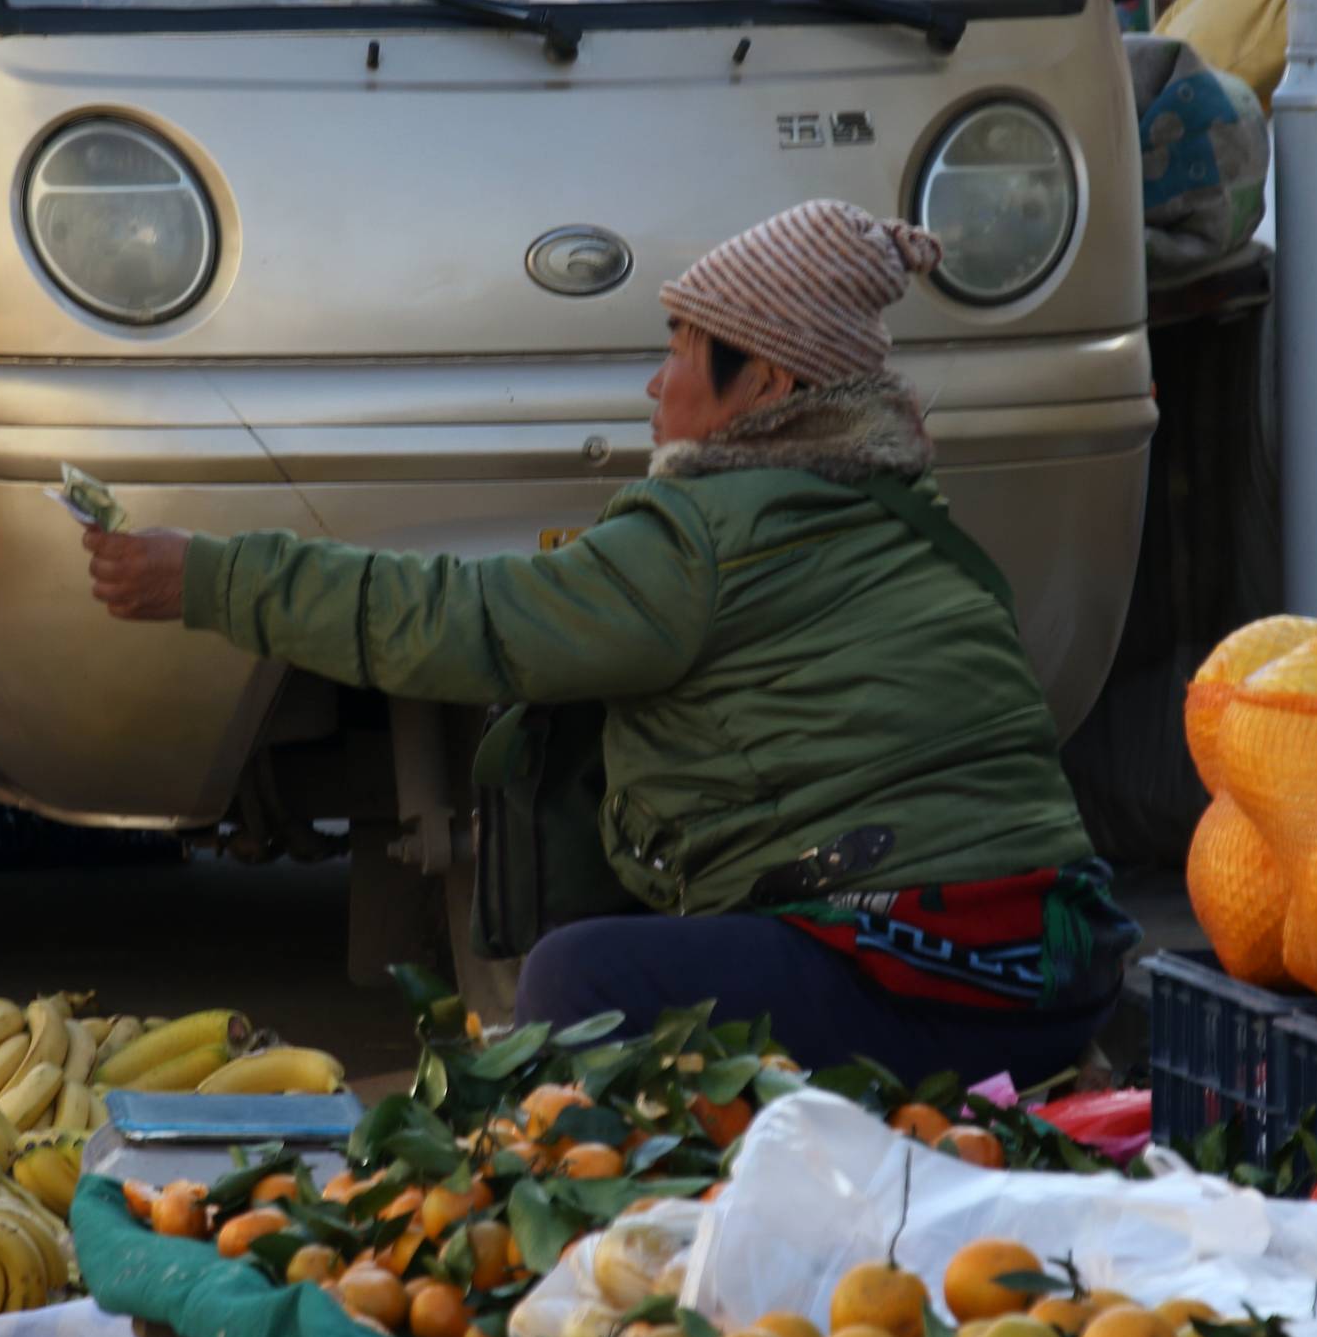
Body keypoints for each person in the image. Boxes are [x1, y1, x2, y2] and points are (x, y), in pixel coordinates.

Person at [84, 202, 1135, 1081]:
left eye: (679, 349)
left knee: (573, 976)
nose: (654, 384)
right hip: (1058, 972)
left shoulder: (703, 538)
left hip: (928, 977)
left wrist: (213, 577)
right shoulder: (917, 522)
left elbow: (463, 619)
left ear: (764, 382)